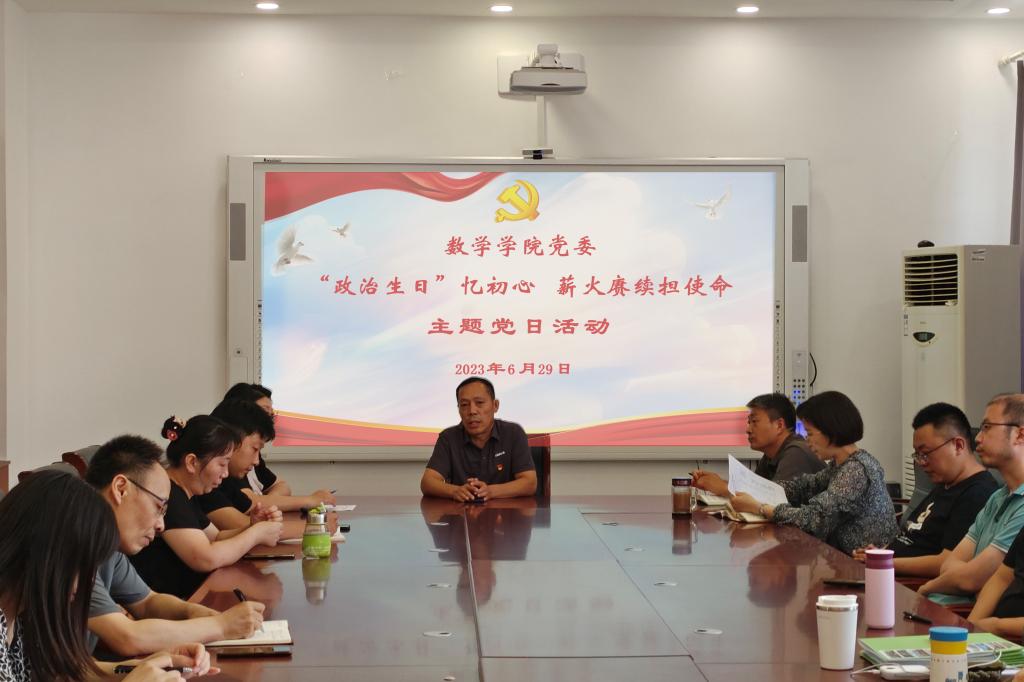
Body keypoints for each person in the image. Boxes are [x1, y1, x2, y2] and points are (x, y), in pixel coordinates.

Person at [0, 469, 213, 682]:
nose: (90, 581)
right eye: (85, 565)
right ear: (48, 550)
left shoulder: (19, 617)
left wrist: (146, 666)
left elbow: (60, 672)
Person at [85, 434, 267, 656]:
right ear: (121, 489)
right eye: (159, 507)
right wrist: (221, 626)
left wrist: (194, 613)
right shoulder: (72, 547)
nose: (161, 525)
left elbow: (148, 602)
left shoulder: (109, 550)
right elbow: (128, 638)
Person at [130, 416, 283, 600]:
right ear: (192, 462)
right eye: (222, 464)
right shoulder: (169, 495)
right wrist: (256, 534)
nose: (225, 473)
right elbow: (205, 558)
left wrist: (252, 526)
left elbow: (216, 537)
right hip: (170, 603)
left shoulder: (186, 493)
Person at [730, 390, 899, 554]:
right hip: (844, 559)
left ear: (831, 431)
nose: (807, 440)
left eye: (809, 433)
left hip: (868, 564)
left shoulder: (856, 470)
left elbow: (814, 519)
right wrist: (758, 490)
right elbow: (803, 487)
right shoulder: (840, 465)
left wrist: (761, 508)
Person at [851, 403, 997, 578]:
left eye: (926, 453)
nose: (921, 463)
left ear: (958, 445)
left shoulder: (977, 494)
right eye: (918, 455)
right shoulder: (945, 483)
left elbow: (947, 562)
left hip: (912, 584)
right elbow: (912, 538)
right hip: (891, 573)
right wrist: (880, 553)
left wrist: (883, 562)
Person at [918, 394, 1024, 600]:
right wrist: (961, 575)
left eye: (987, 427)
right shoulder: (997, 497)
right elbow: (949, 565)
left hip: (959, 611)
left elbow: (970, 580)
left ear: (1020, 435)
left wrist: (928, 587)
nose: (977, 438)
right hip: (942, 602)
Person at [220, 383, 336, 511]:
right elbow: (250, 502)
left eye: (271, 416)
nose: (269, 420)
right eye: (263, 413)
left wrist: (270, 502)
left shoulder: (250, 458)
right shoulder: (227, 467)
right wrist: (310, 500)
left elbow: (282, 486)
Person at [420, 376, 537, 501]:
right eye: (464, 405)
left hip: (506, 510)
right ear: (458, 409)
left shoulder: (513, 433)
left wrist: (491, 491)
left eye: (479, 403)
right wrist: (455, 491)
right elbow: (427, 482)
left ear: (495, 405)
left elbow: (530, 483)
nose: (472, 411)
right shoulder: (449, 438)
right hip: (461, 511)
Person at [692, 392, 824, 496]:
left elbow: (774, 500)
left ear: (779, 425)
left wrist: (723, 488)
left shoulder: (796, 452)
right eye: (749, 422)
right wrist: (717, 482)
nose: (748, 430)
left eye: (754, 422)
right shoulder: (770, 455)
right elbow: (756, 492)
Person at [194, 399, 290, 530]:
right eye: (255, 448)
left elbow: (217, 536)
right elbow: (243, 526)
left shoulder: (225, 478)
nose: (256, 461)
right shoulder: (205, 479)